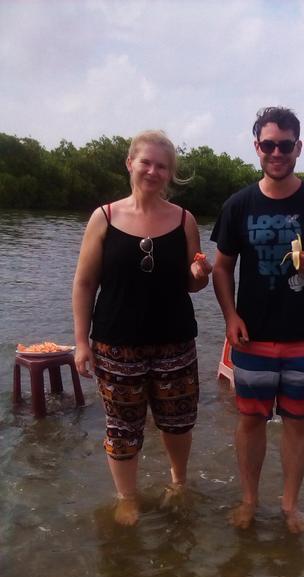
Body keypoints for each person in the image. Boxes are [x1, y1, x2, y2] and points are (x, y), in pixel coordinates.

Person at [211, 106, 304, 533]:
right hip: (251, 335)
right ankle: (249, 501)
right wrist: (230, 316)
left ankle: (290, 505)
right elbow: (221, 267)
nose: (276, 152)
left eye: (284, 145)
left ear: (298, 148)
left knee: (297, 422)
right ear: (256, 147)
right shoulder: (239, 204)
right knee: (250, 419)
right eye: (268, 144)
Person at [72, 130, 212, 525]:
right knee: (122, 427)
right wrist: (81, 343)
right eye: (146, 162)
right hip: (116, 344)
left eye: (162, 166)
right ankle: (127, 497)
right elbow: (84, 283)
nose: (153, 171)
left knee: (179, 420)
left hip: (175, 341)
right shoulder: (104, 217)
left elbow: (192, 282)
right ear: (129, 164)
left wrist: (201, 272)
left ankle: (178, 483)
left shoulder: (185, 220)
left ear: (170, 174)